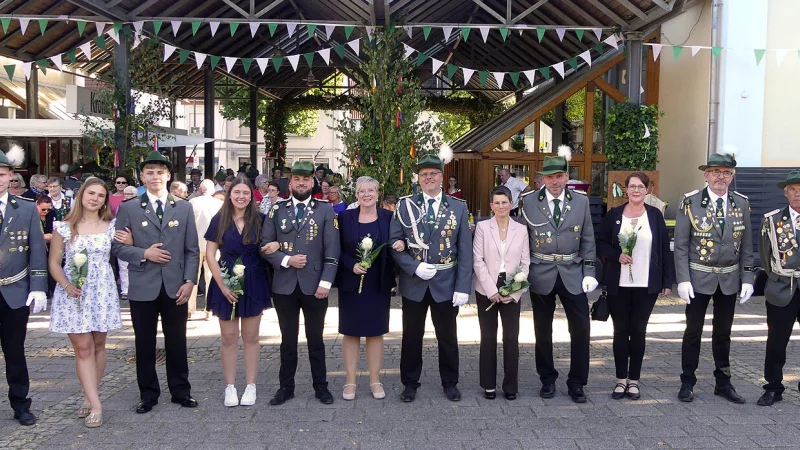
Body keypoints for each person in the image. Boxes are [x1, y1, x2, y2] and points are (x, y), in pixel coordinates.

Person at [112, 150, 200, 414]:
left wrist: (189, 281)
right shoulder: (128, 208)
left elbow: (192, 250)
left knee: (177, 341)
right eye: (149, 172)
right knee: (144, 343)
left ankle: (181, 391)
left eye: (160, 172)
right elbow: (117, 249)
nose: (155, 177)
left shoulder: (184, 207)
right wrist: (143, 253)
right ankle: (148, 394)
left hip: (176, 286)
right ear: (141, 176)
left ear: (168, 176)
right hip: (143, 285)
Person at [390, 153, 473, 403]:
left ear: (442, 177)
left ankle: (450, 382)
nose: (429, 178)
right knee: (411, 336)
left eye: (433, 174)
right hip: (415, 281)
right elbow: (394, 243)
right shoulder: (405, 205)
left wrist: (463, 287)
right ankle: (410, 383)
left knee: (447, 337)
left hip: (446, 282)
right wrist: (413, 267)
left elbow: (465, 250)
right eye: (424, 174)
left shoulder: (459, 206)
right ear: (418, 178)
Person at [520, 146, 598, 403]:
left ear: (567, 177)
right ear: (542, 178)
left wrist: (589, 270)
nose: (554, 182)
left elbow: (587, 238)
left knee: (581, 329)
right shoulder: (529, 201)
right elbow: (522, 240)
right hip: (540, 272)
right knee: (542, 331)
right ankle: (547, 379)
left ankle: (577, 382)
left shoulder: (581, 201)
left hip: (572, 272)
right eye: (549, 177)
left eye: (559, 177)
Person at [674, 152, 754, 404]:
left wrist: (748, 279)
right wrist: (683, 279)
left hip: (729, 279)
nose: (721, 177)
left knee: (723, 334)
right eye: (716, 172)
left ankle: (723, 382)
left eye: (727, 173)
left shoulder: (741, 203)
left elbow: (747, 246)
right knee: (693, 332)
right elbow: (681, 245)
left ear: (732, 177)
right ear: (706, 175)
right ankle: (687, 381)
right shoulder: (690, 202)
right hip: (698, 277)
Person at [260, 160, 340, 406]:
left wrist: (326, 282)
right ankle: (286, 387)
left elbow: (332, 250)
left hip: (315, 284)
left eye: (306, 179)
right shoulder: (277, 209)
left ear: (312, 182)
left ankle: (321, 387)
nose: (301, 182)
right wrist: (285, 260)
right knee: (287, 340)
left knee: (316, 339)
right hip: (285, 285)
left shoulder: (326, 210)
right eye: (297, 179)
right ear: (290, 182)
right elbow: (265, 246)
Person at [48, 178, 122, 428]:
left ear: (105, 200)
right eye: (91, 193)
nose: (95, 198)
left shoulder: (111, 225)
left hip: (102, 290)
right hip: (74, 292)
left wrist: (131, 241)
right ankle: (97, 405)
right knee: (83, 348)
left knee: (99, 345)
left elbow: (124, 250)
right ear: (81, 195)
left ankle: (90, 395)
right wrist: (67, 285)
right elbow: (54, 263)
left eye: (101, 195)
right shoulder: (65, 226)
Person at [597, 172, 674, 400]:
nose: (636, 190)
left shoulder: (655, 216)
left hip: (646, 284)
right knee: (620, 332)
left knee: (638, 332)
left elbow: (664, 248)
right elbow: (600, 243)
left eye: (641, 186)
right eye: (632, 186)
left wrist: (666, 281)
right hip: (618, 284)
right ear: (626, 189)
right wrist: (616, 255)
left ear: (647, 190)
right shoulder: (614, 215)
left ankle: (634, 381)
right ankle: (621, 380)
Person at [205, 176, 271, 407]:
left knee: (251, 337)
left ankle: (251, 386)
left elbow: (271, 246)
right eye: (237, 192)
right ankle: (230, 387)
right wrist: (221, 284)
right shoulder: (219, 220)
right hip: (226, 279)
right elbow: (210, 255)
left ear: (251, 196)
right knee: (228, 337)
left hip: (254, 280)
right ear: (230, 195)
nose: (241, 197)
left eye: (246, 193)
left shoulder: (261, 219)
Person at [336, 176, 399, 400]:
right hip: (351, 281)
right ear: (355, 194)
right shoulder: (344, 217)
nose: (367, 194)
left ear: (378, 193)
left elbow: (394, 244)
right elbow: (337, 247)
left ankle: (375, 380)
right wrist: (350, 265)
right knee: (351, 332)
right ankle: (350, 381)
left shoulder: (388, 217)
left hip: (377, 282)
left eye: (371, 190)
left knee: (375, 332)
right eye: (362, 191)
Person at [0, 148, 48, 426]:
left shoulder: (27, 208)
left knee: (15, 352)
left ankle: (21, 404)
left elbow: (37, 251)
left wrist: (39, 285)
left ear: (10, 177)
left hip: (15, 291)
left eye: (3, 174)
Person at [473, 185, 529, 400]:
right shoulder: (483, 228)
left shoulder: (521, 229)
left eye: (504, 202)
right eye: (496, 203)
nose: (501, 206)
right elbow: (478, 261)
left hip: (513, 284)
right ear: (491, 206)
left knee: (511, 337)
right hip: (486, 285)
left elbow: (525, 264)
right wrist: (491, 291)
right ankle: (488, 384)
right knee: (488, 337)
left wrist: (514, 292)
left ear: (511, 204)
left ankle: (511, 386)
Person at [757, 170, 800, 406]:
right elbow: (765, 256)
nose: (798, 195)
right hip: (782, 286)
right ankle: (773, 387)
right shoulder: (773, 220)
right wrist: (779, 276)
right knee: (776, 341)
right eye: (793, 190)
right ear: (786, 193)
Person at [189, 180, 224, 319]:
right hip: (213, 245)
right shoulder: (219, 204)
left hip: (195, 245)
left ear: (200, 189)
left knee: (193, 277)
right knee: (212, 277)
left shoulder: (192, 203)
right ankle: (210, 309)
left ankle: (190, 309)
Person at [117, 186, 138, 301]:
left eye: (130, 194)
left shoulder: (140, 206)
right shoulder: (121, 207)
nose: (127, 196)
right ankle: (125, 290)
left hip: (138, 240)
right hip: (123, 238)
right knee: (123, 266)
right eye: (126, 194)